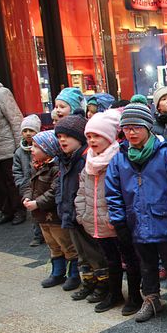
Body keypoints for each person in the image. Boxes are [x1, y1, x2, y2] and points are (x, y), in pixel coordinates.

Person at [105, 103, 167, 323]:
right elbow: (112, 192)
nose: (131, 133)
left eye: (136, 128)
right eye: (127, 128)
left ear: (148, 128)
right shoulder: (119, 158)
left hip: (164, 221)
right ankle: (151, 298)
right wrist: (119, 220)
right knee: (146, 263)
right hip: (137, 221)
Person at [75, 110, 142, 314]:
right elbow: (81, 192)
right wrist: (82, 214)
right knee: (110, 260)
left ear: (109, 137)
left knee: (130, 260)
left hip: (117, 222)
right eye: (89, 136)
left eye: (97, 136)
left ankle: (134, 296)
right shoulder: (88, 162)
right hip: (96, 221)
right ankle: (114, 294)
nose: (93, 140)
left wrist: (120, 218)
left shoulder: (120, 159)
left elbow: (128, 192)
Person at [55, 115, 109, 298]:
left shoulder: (86, 160)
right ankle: (88, 282)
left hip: (85, 214)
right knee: (81, 253)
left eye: (67, 136)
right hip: (70, 213)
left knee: (94, 252)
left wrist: (82, 213)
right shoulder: (63, 160)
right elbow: (61, 186)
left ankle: (103, 285)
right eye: (59, 136)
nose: (62, 140)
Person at [24, 131, 78, 288]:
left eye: (35, 146)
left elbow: (54, 192)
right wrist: (27, 198)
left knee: (65, 244)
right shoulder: (35, 166)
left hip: (54, 215)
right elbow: (29, 185)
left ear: (47, 149)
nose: (31, 149)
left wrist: (37, 203)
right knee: (52, 244)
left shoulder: (56, 168)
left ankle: (73, 275)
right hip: (40, 216)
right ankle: (57, 272)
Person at [0, 80, 25, 225]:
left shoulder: (2, 93)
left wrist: (20, 145)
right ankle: (6, 211)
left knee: (12, 180)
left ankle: (19, 210)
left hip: (7, 146)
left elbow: (15, 120)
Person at [12, 115, 42, 228]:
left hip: (41, 184)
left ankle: (44, 234)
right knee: (32, 211)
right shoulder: (19, 152)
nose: (28, 133)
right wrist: (20, 183)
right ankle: (37, 235)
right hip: (27, 185)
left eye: (31, 130)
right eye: (25, 130)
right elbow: (16, 171)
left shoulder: (43, 147)